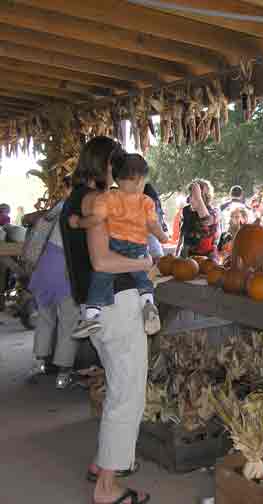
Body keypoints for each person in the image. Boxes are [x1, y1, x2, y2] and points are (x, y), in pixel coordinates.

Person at [61, 137, 152, 504]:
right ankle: (106, 490)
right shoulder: (94, 201)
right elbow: (102, 262)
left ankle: (103, 466)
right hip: (117, 304)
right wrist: (145, 264)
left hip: (101, 305)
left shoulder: (78, 199)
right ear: (108, 166)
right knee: (126, 395)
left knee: (119, 386)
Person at [69, 154, 168, 339]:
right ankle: (148, 303)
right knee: (143, 278)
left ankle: (91, 315)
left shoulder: (106, 198)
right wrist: (163, 238)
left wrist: (78, 223)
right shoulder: (147, 202)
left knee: (101, 277)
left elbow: (95, 220)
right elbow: (154, 226)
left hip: (116, 246)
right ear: (140, 180)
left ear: (116, 178)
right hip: (139, 248)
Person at [28, 176, 80, 389]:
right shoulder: (78, 211)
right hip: (65, 271)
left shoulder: (56, 208)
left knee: (45, 318)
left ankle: (39, 363)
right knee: (69, 322)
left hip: (44, 268)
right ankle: (63, 374)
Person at [177, 179, 220, 259]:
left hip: (208, 258)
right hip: (187, 255)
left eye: (195, 196)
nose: (190, 199)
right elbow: (182, 233)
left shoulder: (214, 212)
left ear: (205, 197)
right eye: (190, 195)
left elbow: (206, 221)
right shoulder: (186, 211)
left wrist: (198, 199)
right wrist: (177, 253)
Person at [143, 182, 168, 260]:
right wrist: (164, 237)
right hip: (153, 250)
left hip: (145, 252)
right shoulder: (150, 209)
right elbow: (163, 238)